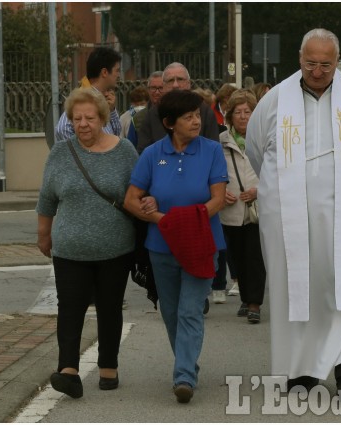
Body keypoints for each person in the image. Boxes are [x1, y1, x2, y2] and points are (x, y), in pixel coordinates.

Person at [245, 28, 341, 399]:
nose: (317, 71)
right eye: (311, 63)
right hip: (288, 219)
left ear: (337, 62)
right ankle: (301, 370)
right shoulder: (275, 100)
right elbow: (255, 152)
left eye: (325, 65)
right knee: (296, 287)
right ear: (300, 59)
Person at [124, 89, 228, 404]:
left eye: (197, 115)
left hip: (201, 243)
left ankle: (183, 375)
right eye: (188, 117)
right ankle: (187, 361)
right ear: (170, 123)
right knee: (170, 312)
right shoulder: (152, 155)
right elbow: (131, 199)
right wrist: (160, 218)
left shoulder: (212, 150)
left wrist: (183, 221)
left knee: (190, 310)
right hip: (161, 246)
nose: (196, 121)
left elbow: (218, 199)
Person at [36, 88, 138, 399]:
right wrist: (44, 235)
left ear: (103, 119)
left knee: (109, 307)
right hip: (69, 250)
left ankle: (109, 366)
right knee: (69, 308)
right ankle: (68, 370)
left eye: (89, 118)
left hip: (114, 248)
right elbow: (47, 198)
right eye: (76, 118)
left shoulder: (125, 152)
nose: (83, 124)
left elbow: (137, 194)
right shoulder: (60, 153)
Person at [218, 89, 266, 323]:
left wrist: (260, 191)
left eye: (248, 111)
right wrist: (221, 192)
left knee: (255, 256)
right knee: (237, 257)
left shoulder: (264, 139)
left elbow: (275, 172)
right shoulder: (221, 142)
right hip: (232, 208)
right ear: (230, 116)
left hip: (258, 207)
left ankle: (255, 302)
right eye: (238, 112)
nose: (243, 116)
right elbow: (214, 174)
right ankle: (246, 299)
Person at [55, 47, 122, 142]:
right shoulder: (83, 100)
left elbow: (115, 135)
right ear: (104, 72)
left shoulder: (105, 100)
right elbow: (62, 129)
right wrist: (82, 154)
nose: (119, 75)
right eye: (117, 70)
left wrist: (111, 112)